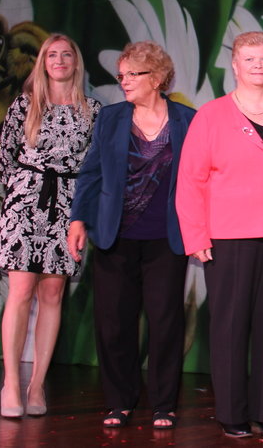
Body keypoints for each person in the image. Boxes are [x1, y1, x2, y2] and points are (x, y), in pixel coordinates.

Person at [176, 31, 263, 439]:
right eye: (249, 59)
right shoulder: (210, 115)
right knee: (229, 326)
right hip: (227, 238)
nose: (258, 66)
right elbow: (190, 181)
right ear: (234, 65)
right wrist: (196, 237)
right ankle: (232, 414)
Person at [66, 40, 196, 430]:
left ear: (156, 78)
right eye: (120, 75)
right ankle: (119, 401)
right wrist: (78, 220)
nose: (123, 82)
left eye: (132, 75)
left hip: (166, 239)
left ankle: (164, 404)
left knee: (165, 324)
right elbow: (91, 172)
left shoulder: (188, 120)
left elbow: (200, 179)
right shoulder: (111, 118)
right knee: (113, 324)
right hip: (115, 236)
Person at [0, 33, 100, 418]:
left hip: (68, 208)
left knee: (53, 294)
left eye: (66, 54)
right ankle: (11, 383)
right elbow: (5, 157)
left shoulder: (93, 110)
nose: (59, 60)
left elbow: (95, 166)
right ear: (42, 62)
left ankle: (37, 384)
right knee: (21, 290)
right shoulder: (25, 104)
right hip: (24, 204)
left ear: (76, 62)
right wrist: (21, 192)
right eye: (51, 54)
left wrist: (81, 213)